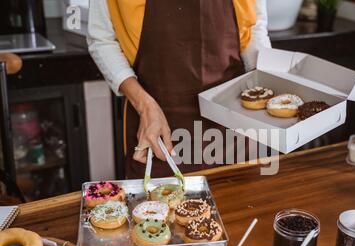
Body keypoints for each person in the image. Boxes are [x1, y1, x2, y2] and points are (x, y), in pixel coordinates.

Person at [87, 0, 271, 178]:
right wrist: (144, 105)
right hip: (158, 130)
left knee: (244, 203)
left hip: (235, 127)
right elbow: (102, 39)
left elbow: (253, 28)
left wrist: (265, 83)